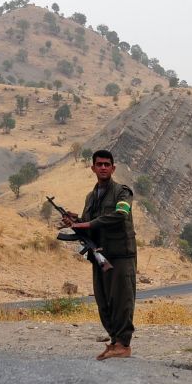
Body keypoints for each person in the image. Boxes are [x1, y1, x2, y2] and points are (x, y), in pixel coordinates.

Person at [62, 149, 136, 360]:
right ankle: (114, 342)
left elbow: (120, 215)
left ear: (113, 168)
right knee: (103, 301)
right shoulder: (91, 196)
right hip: (99, 255)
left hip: (120, 255)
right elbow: (88, 225)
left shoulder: (123, 192)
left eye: (107, 164)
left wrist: (86, 223)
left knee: (122, 300)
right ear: (92, 168)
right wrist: (74, 222)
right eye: (99, 164)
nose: (103, 167)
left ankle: (124, 344)